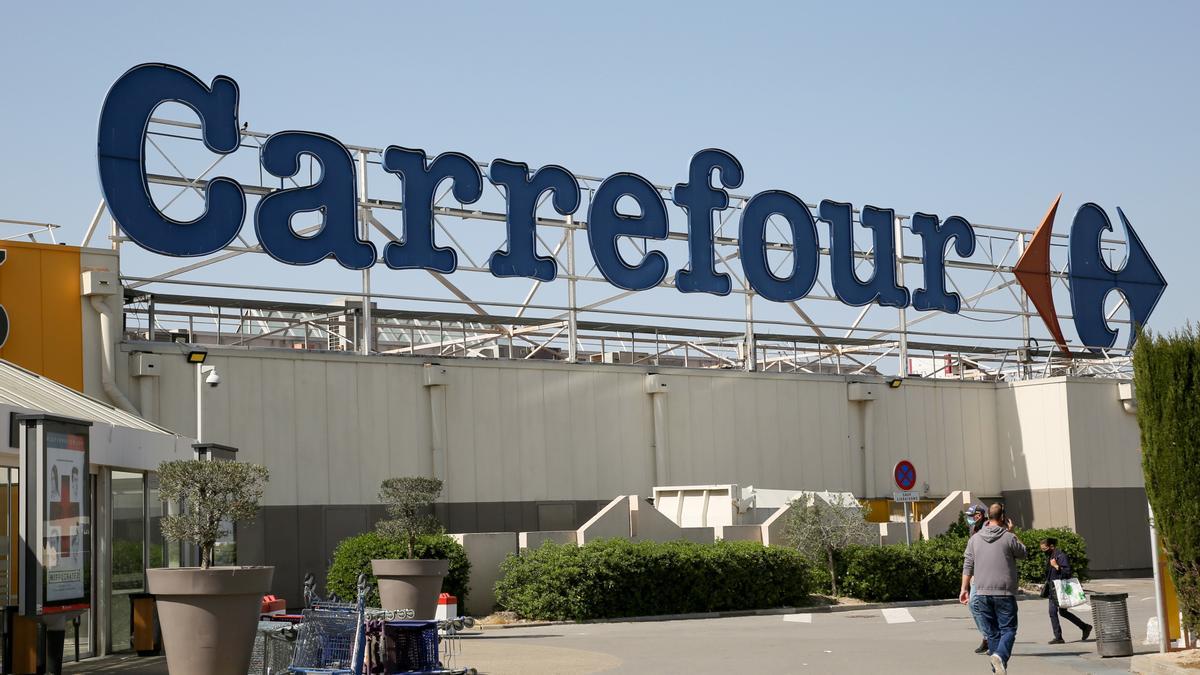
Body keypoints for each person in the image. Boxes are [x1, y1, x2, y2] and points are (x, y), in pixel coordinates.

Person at [960, 503, 1027, 674]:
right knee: (1009, 630)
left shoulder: (974, 539)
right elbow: (1023, 552)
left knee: (993, 634)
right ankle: (1000, 656)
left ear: (987, 517)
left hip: (982, 591)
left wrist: (964, 589)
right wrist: (1012, 532)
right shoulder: (1008, 537)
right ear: (1003, 517)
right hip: (1004, 592)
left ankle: (997, 668)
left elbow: (967, 564)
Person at [1040, 538, 1092, 644]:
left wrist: (1056, 566)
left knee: (1060, 612)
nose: (1043, 551)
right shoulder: (1050, 556)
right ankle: (1081, 628)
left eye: (1045, 549)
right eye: (1042, 549)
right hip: (1052, 588)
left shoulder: (1061, 556)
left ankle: (1081, 628)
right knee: (1055, 612)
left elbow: (1067, 572)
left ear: (1051, 546)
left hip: (1060, 589)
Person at [965, 505, 990, 654]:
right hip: (978, 573)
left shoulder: (988, 527)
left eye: (971, 515)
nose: (969, 518)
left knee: (987, 605)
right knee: (973, 603)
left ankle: (992, 637)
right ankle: (987, 636)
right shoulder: (973, 529)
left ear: (979, 515)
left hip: (990, 573)